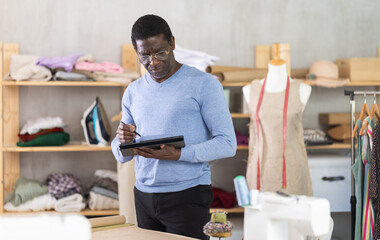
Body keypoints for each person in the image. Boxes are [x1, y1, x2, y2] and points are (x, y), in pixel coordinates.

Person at [111, 14, 237, 239]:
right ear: (136, 52)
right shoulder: (133, 91)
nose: (154, 61)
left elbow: (227, 143)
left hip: (187, 196)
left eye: (160, 52)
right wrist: (122, 141)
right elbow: (122, 156)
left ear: (172, 43)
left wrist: (179, 154)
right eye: (145, 55)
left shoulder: (204, 84)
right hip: (144, 197)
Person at [242, 56, 313, 196]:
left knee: (295, 215)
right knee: (261, 215)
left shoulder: (302, 89)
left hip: (292, 171)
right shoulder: (251, 89)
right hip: (260, 169)